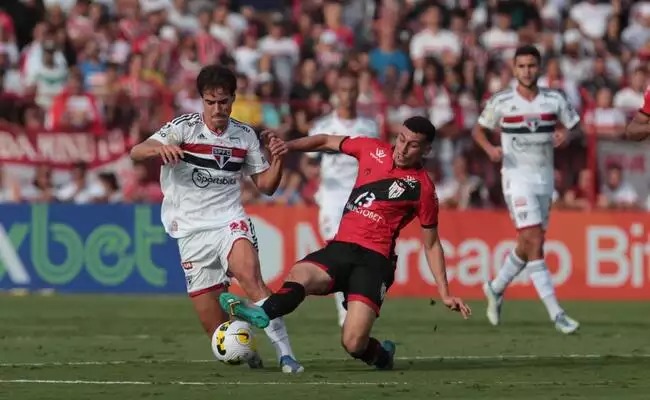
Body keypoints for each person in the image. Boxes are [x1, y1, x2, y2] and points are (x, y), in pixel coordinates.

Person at [220, 116, 471, 370]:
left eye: (413, 145)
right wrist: (289, 146)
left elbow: (431, 244)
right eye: (401, 139)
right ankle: (264, 312)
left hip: (374, 262)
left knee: (353, 343)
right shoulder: (372, 149)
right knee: (301, 273)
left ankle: (382, 356)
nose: (402, 149)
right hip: (342, 248)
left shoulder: (423, 189)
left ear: (427, 150)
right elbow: (327, 141)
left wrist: (445, 292)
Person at [129, 64, 303, 373]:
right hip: (191, 231)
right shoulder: (183, 128)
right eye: (211, 102)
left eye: (223, 101)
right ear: (202, 101)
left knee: (251, 279)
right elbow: (136, 151)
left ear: (233, 99)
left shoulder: (244, 135)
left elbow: (266, 186)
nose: (217, 108)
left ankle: (287, 355)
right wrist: (161, 148)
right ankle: (248, 350)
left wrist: (277, 160)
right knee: (216, 334)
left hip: (229, 221)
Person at [472, 45, 580, 334]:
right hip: (516, 177)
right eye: (521, 66)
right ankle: (557, 313)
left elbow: (575, 126)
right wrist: (490, 148)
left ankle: (495, 288)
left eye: (532, 65)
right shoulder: (502, 101)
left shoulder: (555, 99)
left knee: (528, 244)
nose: (527, 71)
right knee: (534, 239)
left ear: (539, 67)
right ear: (514, 68)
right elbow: (478, 130)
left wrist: (565, 134)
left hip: (545, 179)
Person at [308, 69, 381, 327]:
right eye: (343, 91)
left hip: (361, 196)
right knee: (337, 250)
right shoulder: (322, 126)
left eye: (352, 91)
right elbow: (308, 162)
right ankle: (344, 309)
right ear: (336, 94)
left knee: (360, 254)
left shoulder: (369, 126)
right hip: (331, 195)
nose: (348, 96)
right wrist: (313, 170)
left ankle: (357, 302)